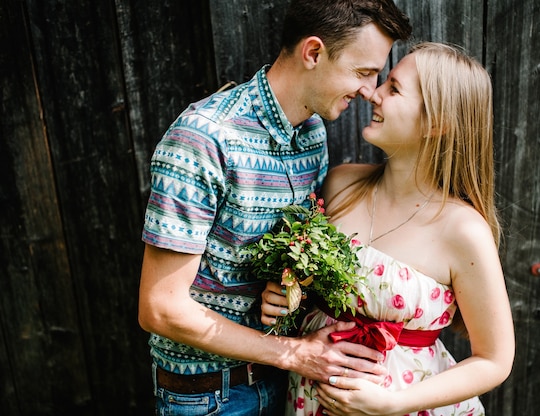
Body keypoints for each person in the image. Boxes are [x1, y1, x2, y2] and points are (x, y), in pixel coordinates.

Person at [137, 1, 412, 415]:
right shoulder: (205, 140)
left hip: (285, 386)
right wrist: (294, 354)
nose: (370, 91)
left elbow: (286, 254)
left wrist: (287, 289)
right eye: (363, 72)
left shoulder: (312, 134)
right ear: (314, 53)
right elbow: (161, 309)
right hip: (210, 397)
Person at [261, 42, 515, 416]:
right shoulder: (341, 185)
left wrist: (392, 404)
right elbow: (312, 286)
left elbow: (494, 360)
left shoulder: (463, 230)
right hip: (311, 399)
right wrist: (285, 298)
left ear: (437, 123)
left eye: (393, 88)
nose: (372, 93)